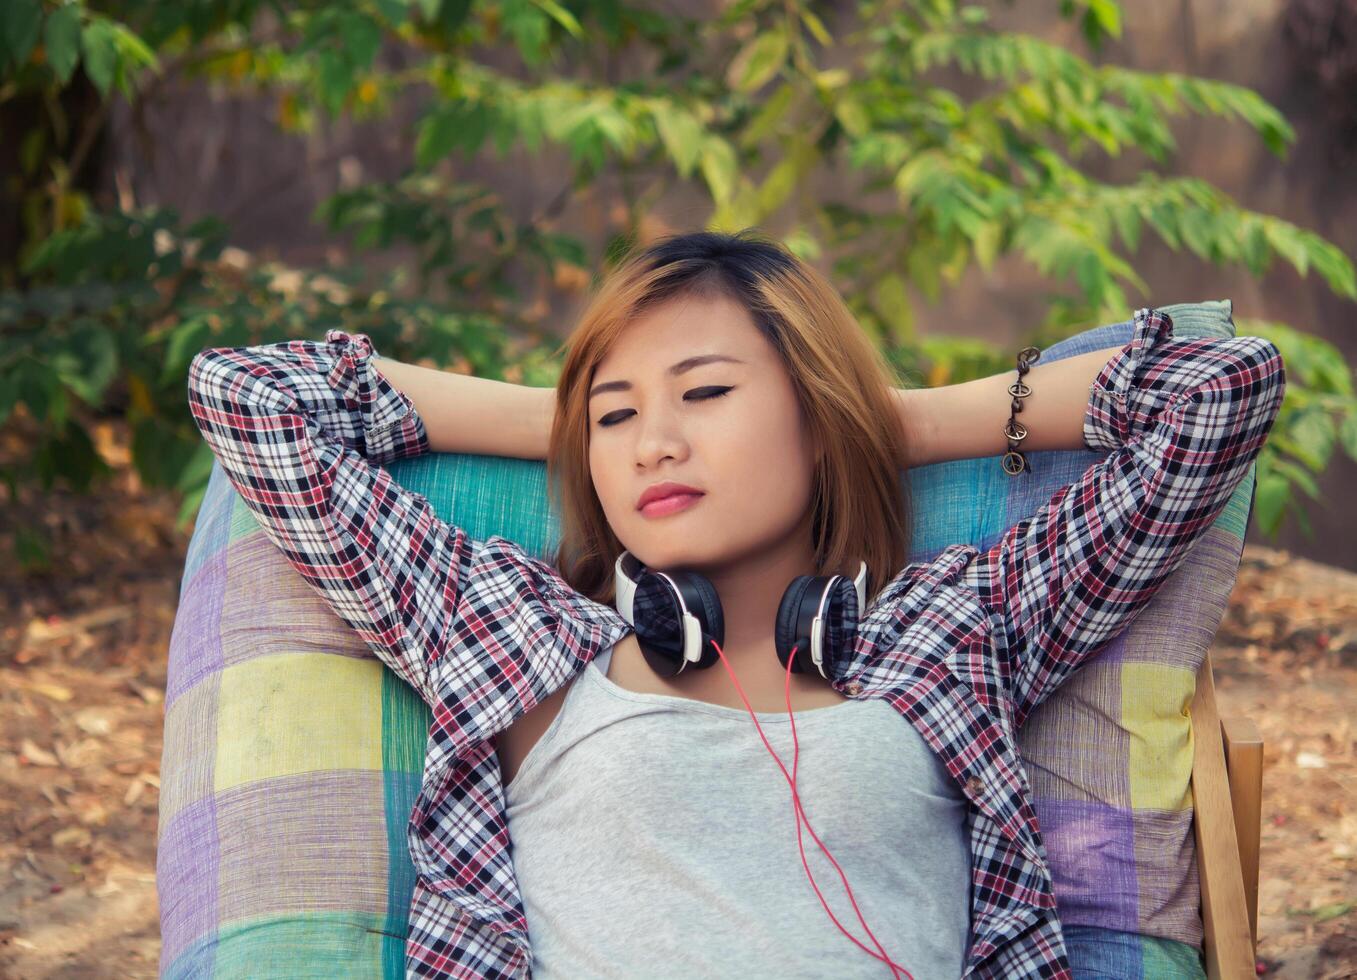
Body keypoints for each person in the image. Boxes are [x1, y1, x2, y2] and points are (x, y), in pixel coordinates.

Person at [185, 229, 1286, 979]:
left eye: (705, 392)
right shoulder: (514, 633)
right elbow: (252, 396)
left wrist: (869, 419)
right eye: (618, 418)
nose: (655, 439)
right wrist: (576, 420)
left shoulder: (953, 628)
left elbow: (1217, 388)